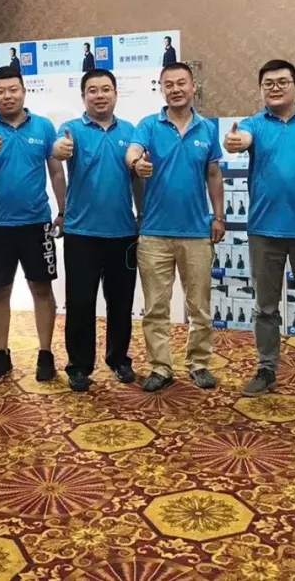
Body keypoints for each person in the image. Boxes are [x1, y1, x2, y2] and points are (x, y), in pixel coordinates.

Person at [224, 60, 295, 403]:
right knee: (265, 308)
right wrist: (235, 141)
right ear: (261, 89)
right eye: (268, 83)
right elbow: (240, 139)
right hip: (264, 231)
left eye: (282, 82)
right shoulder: (254, 124)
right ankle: (266, 369)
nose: (275, 88)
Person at [125, 62, 224, 392]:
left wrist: (219, 216)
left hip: (196, 232)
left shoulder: (207, 129)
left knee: (199, 306)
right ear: (161, 89)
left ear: (193, 86)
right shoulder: (148, 125)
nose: (176, 89)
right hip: (154, 233)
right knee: (156, 307)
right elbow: (133, 151)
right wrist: (136, 163)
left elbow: (213, 174)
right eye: (169, 84)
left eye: (182, 83)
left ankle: (199, 363)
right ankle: (160, 366)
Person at [0, 66, 65, 382]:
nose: (7, 96)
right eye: (0, 91)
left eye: (12, 90)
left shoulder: (44, 126)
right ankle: (1, 354)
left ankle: (45, 353)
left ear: (24, 91)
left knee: (42, 289)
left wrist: (63, 211)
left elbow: (56, 172)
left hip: (37, 223)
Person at [53, 70, 140, 392]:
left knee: (121, 303)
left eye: (106, 89)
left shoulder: (131, 132)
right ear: (83, 97)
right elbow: (58, 150)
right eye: (92, 90)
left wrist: (142, 214)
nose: (99, 95)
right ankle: (78, 366)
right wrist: (61, 149)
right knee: (80, 303)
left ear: (116, 94)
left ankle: (119, 359)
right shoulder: (71, 130)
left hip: (123, 232)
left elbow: (137, 179)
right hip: (81, 233)